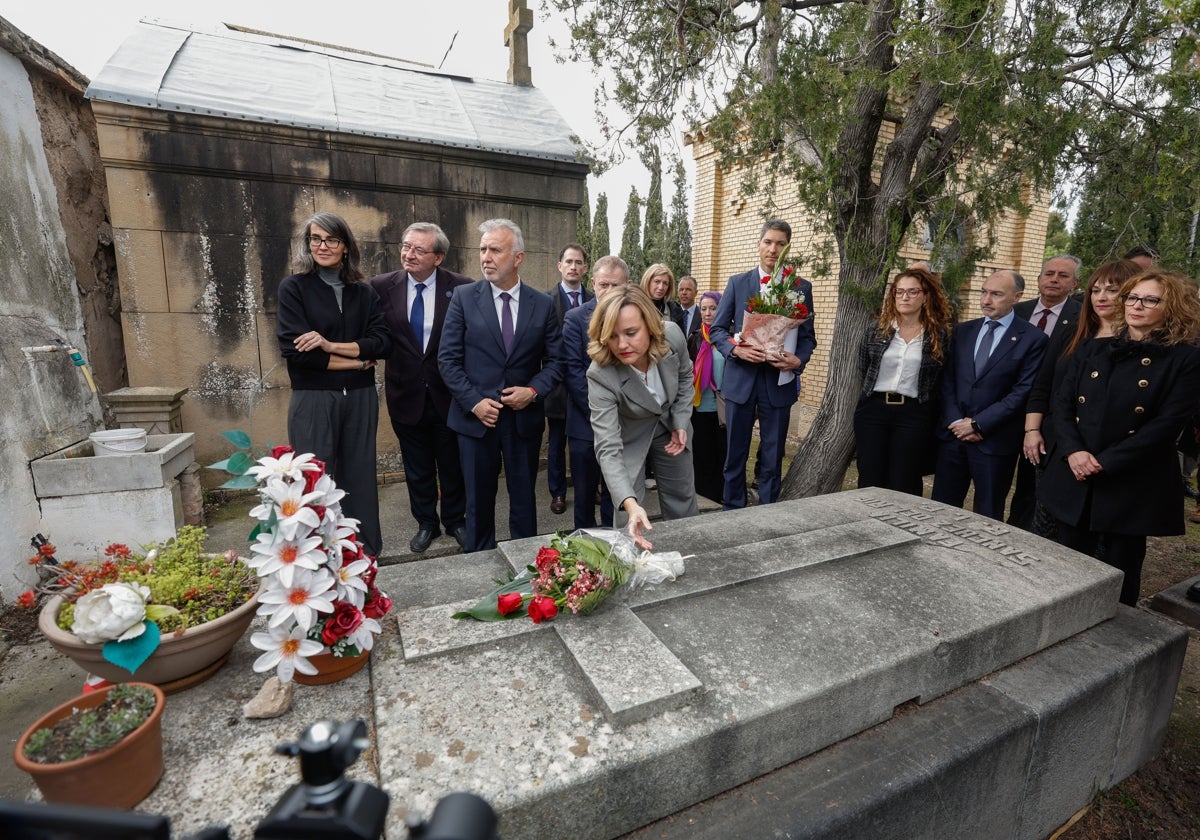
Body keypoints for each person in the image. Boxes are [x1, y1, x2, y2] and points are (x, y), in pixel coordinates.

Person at [1040, 269, 1200, 606]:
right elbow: (1063, 404)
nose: (1136, 305)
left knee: (1119, 567)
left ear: (1170, 308)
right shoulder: (1092, 349)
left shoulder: (1185, 359)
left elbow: (1167, 423)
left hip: (1130, 479)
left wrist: (1105, 462)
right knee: (1067, 563)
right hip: (1077, 472)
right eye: (1132, 297)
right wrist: (1074, 452)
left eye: (1150, 299)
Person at [438, 219, 563, 552]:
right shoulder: (464, 298)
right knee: (477, 503)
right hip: (476, 420)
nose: (486, 257)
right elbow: (447, 361)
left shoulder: (543, 304)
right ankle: (479, 566)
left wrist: (533, 391)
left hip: (523, 422)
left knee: (524, 500)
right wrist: (474, 403)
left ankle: (527, 570)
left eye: (495, 249)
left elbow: (556, 362)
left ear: (517, 257)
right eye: (483, 249)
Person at [276, 212, 391, 556]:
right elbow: (296, 354)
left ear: (346, 247)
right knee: (314, 478)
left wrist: (328, 345)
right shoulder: (294, 288)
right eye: (315, 239)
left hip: (360, 397)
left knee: (360, 474)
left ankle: (363, 551)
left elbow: (382, 343)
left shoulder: (364, 293)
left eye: (331, 239)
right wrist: (357, 360)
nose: (322, 246)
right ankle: (315, 552)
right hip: (312, 398)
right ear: (308, 245)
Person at [370, 222, 471, 553]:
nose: (408, 254)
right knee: (417, 466)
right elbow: (374, 334)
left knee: (452, 463)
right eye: (406, 246)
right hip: (405, 394)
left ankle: (455, 520)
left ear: (438, 257)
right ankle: (426, 523)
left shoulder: (462, 289)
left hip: (448, 395)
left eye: (418, 249)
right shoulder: (381, 287)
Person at [1021, 260, 1140, 537]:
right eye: (1095, 290)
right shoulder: (1074, 331)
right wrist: (1032, 430)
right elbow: (1043, 385)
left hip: (1103, 453)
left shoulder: (1139, 343)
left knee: (1095, 539)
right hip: (1056, 443)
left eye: (1112, 290)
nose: (1101, 297)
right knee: (1049, 529)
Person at [709, 219, 817, 509]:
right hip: (741, 381)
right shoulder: (738, 283)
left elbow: (807, 339)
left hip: (777, 384)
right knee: (735, 455)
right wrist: (736, 352)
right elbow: (716, 331)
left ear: (787, 248)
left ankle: (768, 513)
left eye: (780, 244)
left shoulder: (801, 288)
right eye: (768, 242)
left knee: (772, 457)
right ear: (759, 244)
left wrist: (798, 360)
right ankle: (732, 509)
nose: (773, 249)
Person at [587, 285, 698, 549]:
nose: (622, 345)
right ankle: (630, 558)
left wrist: (681, 421)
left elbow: (684, 377)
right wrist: (630, 503)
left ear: (649, 326)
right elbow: (607, 447)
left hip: (670, 424)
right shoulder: (600, 373)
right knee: (628, 508)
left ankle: (688, 551)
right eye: (612, 336)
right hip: (630, 433)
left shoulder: (672, 336)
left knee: (682, 496)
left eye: (631, 333)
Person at [931, 269, 1047, 520]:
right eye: (984, 292)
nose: (986, 300)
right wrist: (955, 422)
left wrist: (977, 424)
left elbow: (1022, 391)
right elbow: (948, 380)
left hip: (994, 442)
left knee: (987, 513)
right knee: (940, 509)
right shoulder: (963, 331)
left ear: (1017, 297)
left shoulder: (1033, 339)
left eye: (996, 294)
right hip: (953, 438)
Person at [854, 266, 953, 496]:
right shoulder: (877, 329)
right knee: (870, 477)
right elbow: (863, 367)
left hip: (914, 414)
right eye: (899, 292)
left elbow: (940, 377)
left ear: (925, 296)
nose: (905, 297)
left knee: (904, 479)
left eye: (912, 292)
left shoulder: (937, 334)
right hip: (873, 411)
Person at [1008, 255, 1084, 527]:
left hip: (1047, 413)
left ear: (1075, 283)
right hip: (1007, 409)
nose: (1054, 279)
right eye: (1049, 273)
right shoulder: (1016, 311)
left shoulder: (1081, 318)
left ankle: (1023, 531)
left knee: (1031, 484)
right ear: (1039, 279)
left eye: (1063, 275)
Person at [561, 256, 628, 529]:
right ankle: (585, 548)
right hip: (584, 423)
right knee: (585, 494)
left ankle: (616, 545)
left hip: (624, 422)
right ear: (593, 283)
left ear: (627, 285)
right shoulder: (575, 318)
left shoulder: (634, 319)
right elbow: (573, 371)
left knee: (618, 493)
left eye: (616, 285)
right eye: (603, 285)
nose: (609, 291)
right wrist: (601, 412)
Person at [545, 243, 593, 516]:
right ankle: (558, 492)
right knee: (556, 442)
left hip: (588, 386)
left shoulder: (593, 298)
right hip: (558, 387)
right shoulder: (546, 300)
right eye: (569, 261)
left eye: (578, 262)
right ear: (559, 266)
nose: (573, 266)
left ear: (585, 269)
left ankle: (590, 488)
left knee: (589, 441)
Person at [689, 290, 727, 503]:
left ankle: (721, 492)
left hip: (722, 407)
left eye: (713, 308)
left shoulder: (729, 337)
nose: (707, 313)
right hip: (699, 405)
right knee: (702, 452)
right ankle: (702, 492)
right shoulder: (695, 338)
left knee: (721, 452)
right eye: (703, 309)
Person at [641, 264, 687, 333]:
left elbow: (680, 340)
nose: (661, 287)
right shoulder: (636, 306)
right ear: (648, 281)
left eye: (665, 283)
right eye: (657, 282)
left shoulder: (674, 309)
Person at [677, 276, 702, 343]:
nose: (684, 293)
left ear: (696, 293)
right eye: (681, 289)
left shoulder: (702, 316)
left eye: (688, 289)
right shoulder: (672, 314)